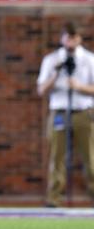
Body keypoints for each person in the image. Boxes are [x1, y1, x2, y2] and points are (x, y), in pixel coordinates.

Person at [37, 23, 94, 207]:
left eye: (74, 37)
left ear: (79, 38)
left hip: (83, 111)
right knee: (56, 157)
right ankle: (54, 198)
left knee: (90, 157)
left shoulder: (89, 59)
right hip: (59, 111)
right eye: (67, 37)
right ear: (62, 39)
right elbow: (41, 90)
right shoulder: (52, 60)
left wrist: (79, 87)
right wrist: (56, 74)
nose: (70, 41)